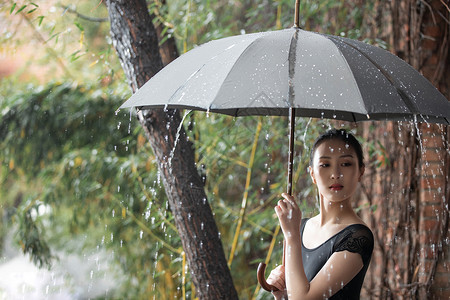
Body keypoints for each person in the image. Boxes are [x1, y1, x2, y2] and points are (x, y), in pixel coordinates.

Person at [267, 128, 374, 300]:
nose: (335, 174)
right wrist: (280, 293)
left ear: (360, 171)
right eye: (325, 165)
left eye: (346, 164)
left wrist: (291, 236)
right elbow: (293, 295)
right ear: (312, 174)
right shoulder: (299, 227)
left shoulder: (358, 237)